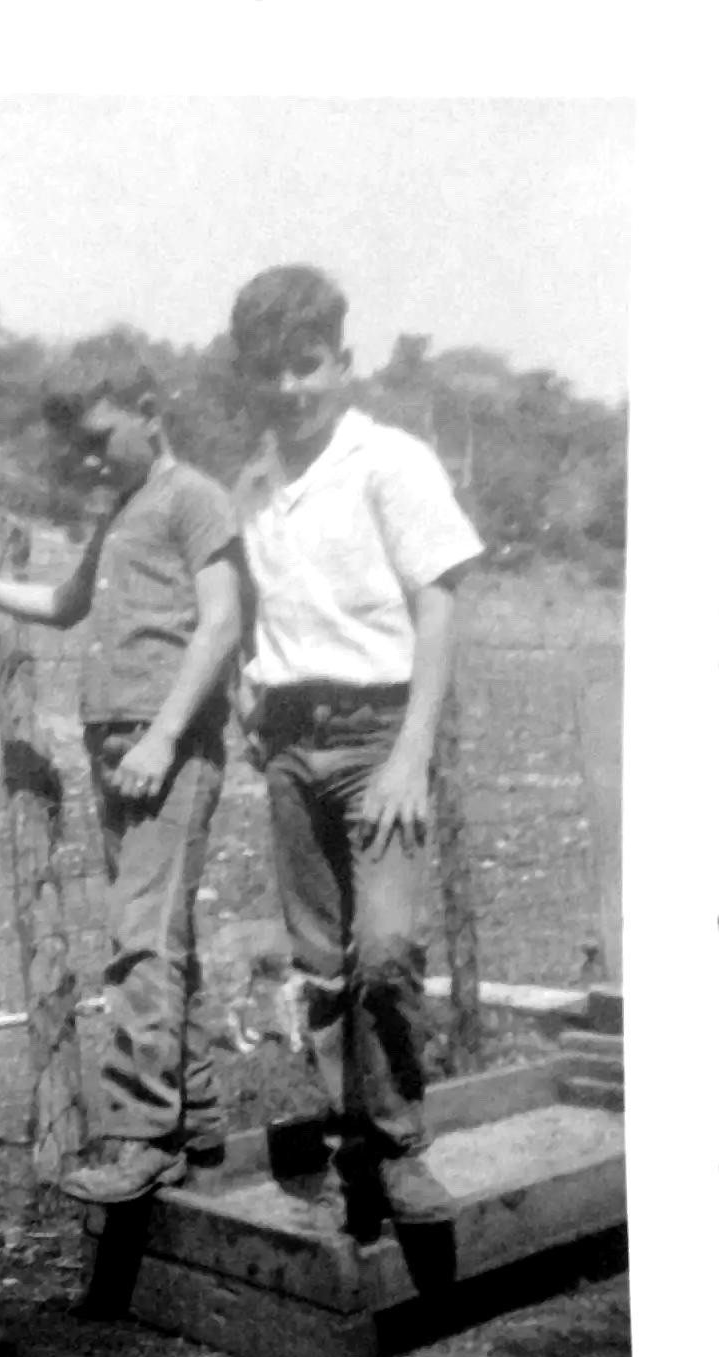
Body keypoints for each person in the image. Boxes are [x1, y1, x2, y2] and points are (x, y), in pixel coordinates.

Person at [0, 367, 243, 1204]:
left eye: (100, 439)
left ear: (150, 414)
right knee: (159, 935)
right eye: (78, 449)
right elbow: (62, 603)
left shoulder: (195, 498)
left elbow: (223, 622)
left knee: (140, 937)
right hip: (120, 742)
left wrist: (163, 736)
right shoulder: (123, 510)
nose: (91, 460)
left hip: (167, 743)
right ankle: (197, 1127)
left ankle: (144, 1135)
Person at [225, 264, 485, 1237]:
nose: (290, 387)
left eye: (307, 365)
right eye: (270, 370)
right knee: (322, 967)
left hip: (380, 738)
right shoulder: (254, 485)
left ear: (342, 360)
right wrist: (251, 691)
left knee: (383, 951)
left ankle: (402, 1147)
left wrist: (412, 753)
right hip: (292, 744)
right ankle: (350, 1148)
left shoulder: (390, 462)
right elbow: (256, 603)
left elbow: (439, 601)